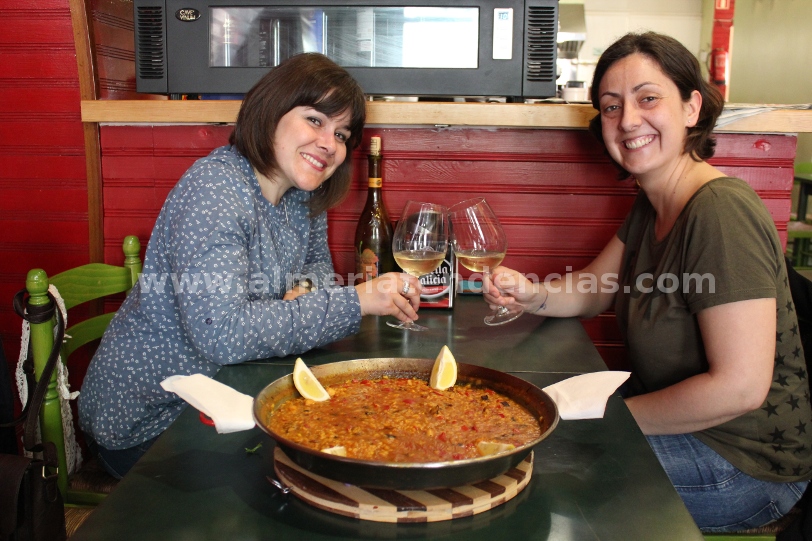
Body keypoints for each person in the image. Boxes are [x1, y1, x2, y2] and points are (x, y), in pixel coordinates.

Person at [484, 32, 812, 532]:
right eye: (611, 107)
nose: (628, 120)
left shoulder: (719, 212)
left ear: (691, 108)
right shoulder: (653, 201)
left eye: (648, 98)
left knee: (536, 477)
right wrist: (534, 293)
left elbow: (740, 389)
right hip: (689, 435)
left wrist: (608, 421)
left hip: (745, 465)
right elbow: (594, 290)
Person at [78, 53, 422, 478]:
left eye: (342, 133)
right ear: (272, 109)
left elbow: (316, 270)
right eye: (315, 120)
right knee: (308, 475)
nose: (330, 144)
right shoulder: (216, 190)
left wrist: (306, 294)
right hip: (150, 421)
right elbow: (224, 335)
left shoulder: (302, 195)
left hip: (226, 395)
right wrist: (354, 302)